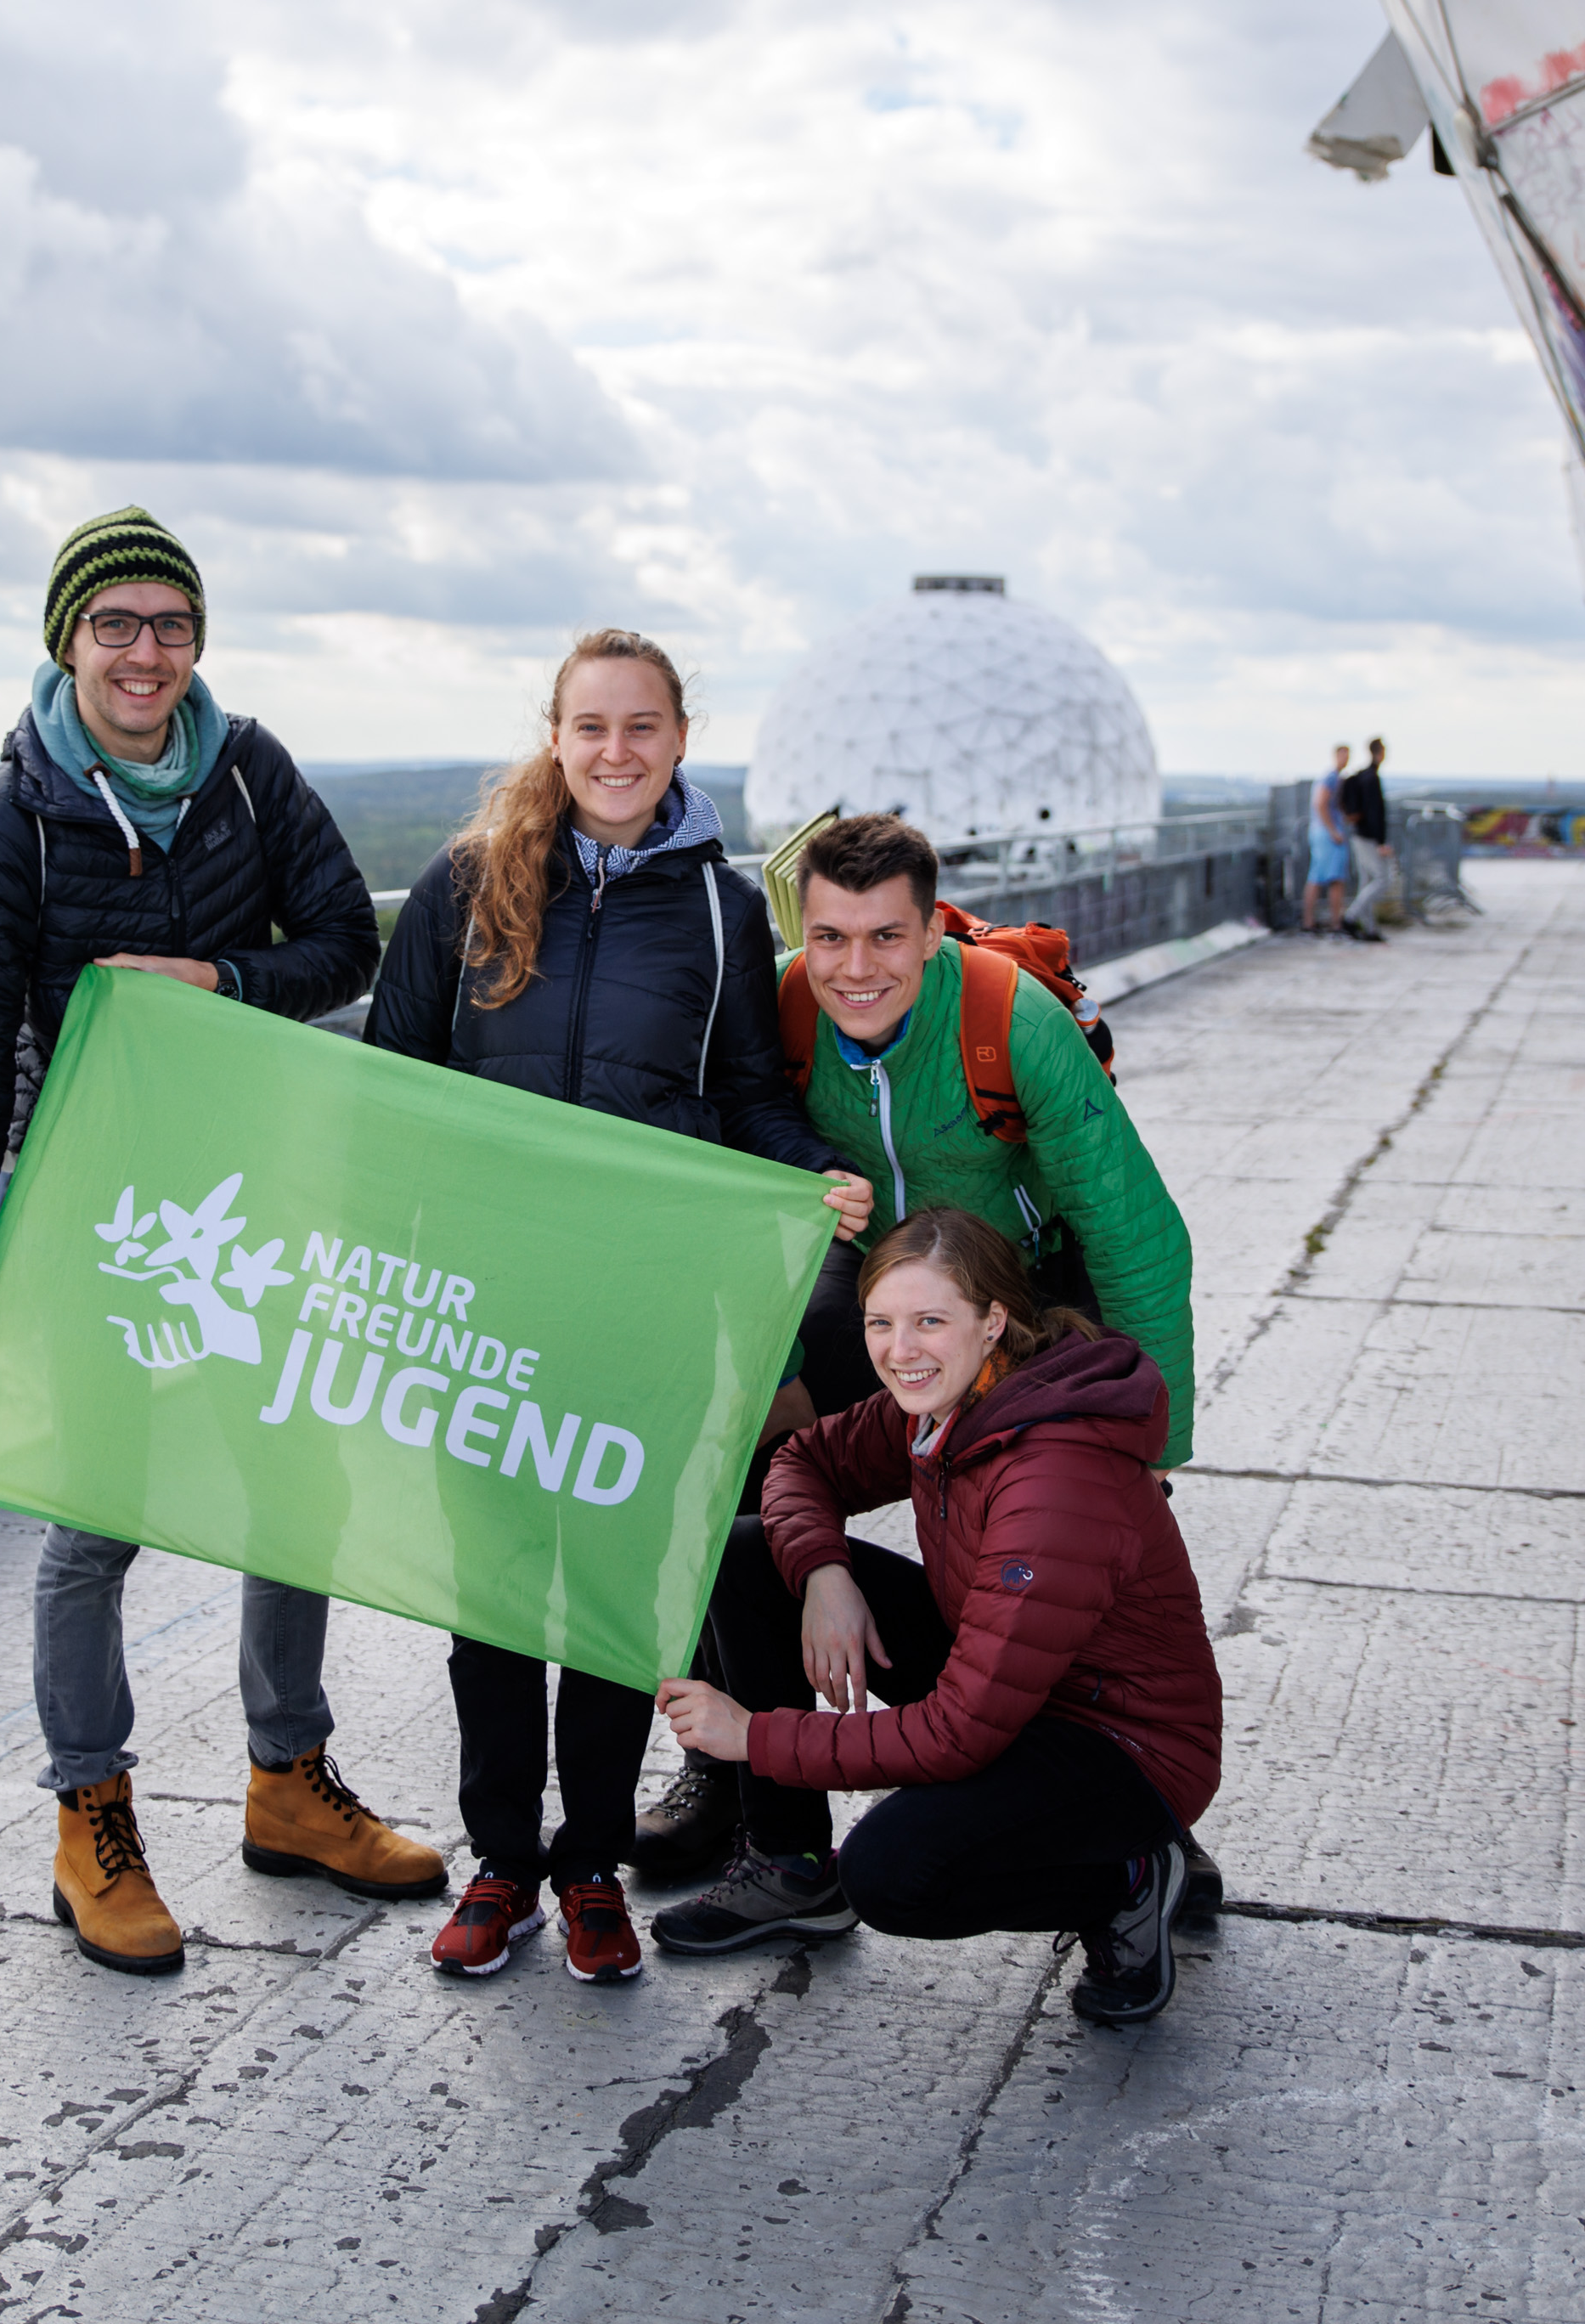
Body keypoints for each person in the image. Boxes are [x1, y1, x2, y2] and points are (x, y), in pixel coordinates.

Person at [0, 506, 447, 1982]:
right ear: (66, 639)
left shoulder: (247, 773)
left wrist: (217, 975)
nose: (145, 655)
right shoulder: (7, 819)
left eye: (171, 625)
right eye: (115, 625)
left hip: (254, 1199)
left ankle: (288, 1783)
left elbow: (347, 940)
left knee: (293, 1484)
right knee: (101, 1517)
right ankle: (93, 1816)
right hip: (97, 1216)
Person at [365, 627, 871, 1984]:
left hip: (640, 1311)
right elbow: (388, 1083)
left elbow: (746, 1092)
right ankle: (499, 1863)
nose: (616, 752)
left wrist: (805, 1171)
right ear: (555, 734)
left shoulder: (717, 911)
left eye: (642, 727)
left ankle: (589, 1865)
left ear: (680, 741)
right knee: (493, 1597)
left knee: (603, 1598)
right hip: (487, 1306)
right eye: (591, 727)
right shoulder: (468, 887)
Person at [629, 810, 1197, 1881]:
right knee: (731, 1489)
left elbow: (1135, 1233)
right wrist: (786, 1374)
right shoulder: (787, 1002)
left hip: (1020, 1292)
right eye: (832, 937)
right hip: (875, 1287)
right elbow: (737, 1183)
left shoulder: (1009, 1020)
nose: (856, 968)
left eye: (887, 937)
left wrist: (1152, 1439)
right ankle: (743, 1791)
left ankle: (1134, 1808)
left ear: (932, 930)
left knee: (1061, 1554)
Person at [649, 1207, 1221, 2026]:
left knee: (895, 1872)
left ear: (994, 1322)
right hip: (1009, 1678)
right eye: (881, 1322)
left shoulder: (1053, 1477)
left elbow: (957, 1736)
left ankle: (1125, 1883)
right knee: (749, 1559)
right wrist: (822, 1573)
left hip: (1121, 1745)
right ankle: (794, 1868)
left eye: (929, 1322)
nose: (900, 1350)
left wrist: (753, 1736)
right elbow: (803, 1459)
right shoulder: (951, 1402)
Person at [1340, 736, 1392, 944]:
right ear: (1380, 752)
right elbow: (1374, 813)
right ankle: (1350, 918)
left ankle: (1370, 929)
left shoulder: (1363, 775)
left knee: (1366, 882)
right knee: (1382, 879)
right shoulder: (1371, 778)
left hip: (1358, 835)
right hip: (1367, 837)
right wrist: (1381, 842)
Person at [1303, 744, 1352, 936]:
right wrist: (1333, 830)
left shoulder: (1334, 777)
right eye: (1343, 755)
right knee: (1332, 878)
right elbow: (1320, 803)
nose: (1346, 759)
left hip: (1323, 831)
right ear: (1336, 756)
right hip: (1328, 833)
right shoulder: (1331, 777)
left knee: (1320, 877)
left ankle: (1313, 922)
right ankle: (1333, 923)